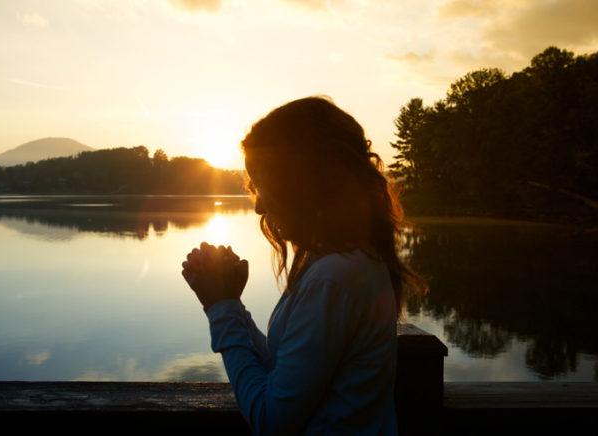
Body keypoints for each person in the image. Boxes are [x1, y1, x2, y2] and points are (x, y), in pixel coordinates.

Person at [181, 96, 425, 435]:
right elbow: (288, 373)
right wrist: (232, 305)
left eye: (262, 185)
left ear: (299, 184)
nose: (259, 206)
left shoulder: (334, 277)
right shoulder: (338, 261)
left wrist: (220, 308)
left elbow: (272, 420)